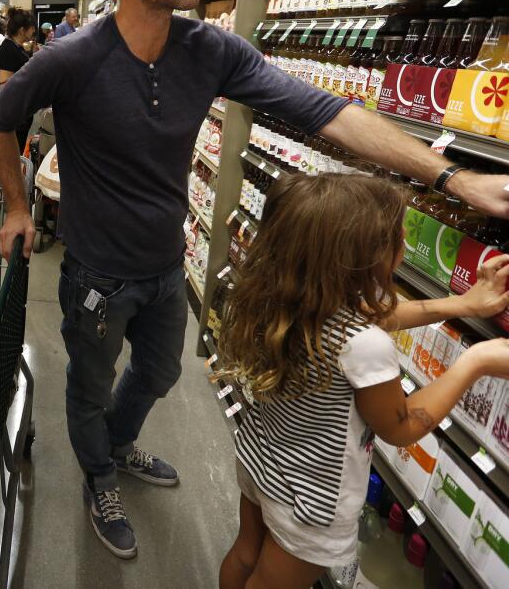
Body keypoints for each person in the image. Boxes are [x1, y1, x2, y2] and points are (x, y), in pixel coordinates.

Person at [0, 0, 509, 560]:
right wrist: (19, 207)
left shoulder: (210, 50)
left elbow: (327, 111)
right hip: (95, 272)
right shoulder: (73, 57)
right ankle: (99, 474)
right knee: (88, 381)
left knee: (160, 373)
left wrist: (450, 176)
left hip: (167, 265)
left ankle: (117, 441)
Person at [216, 174, 509, 589]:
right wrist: (474, 361)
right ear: (362, 258)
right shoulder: (364, 345)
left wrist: (462, 304)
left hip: (261, 458)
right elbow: (400, 427)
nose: (405, 243)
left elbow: (379, 316)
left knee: (246, 554)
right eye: (396, 237)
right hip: (312, 500)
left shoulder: (288, 298)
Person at [0, 7, 37, 153]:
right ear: (22, 30)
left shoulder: (15, 47)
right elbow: (3, 85)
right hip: (13, 117)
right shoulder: (8, 50)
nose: (33, 32)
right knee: (12, 155)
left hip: (19, 114)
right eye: (31, 29)